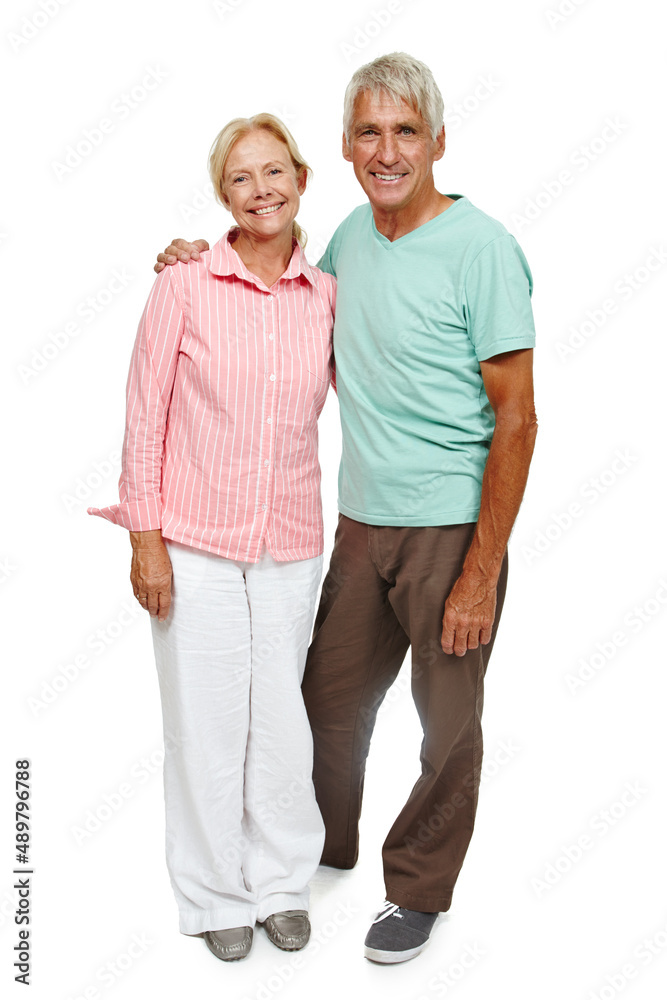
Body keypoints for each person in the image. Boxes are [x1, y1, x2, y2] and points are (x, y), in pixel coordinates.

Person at [153, 51, 538, 965]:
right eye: (369, 131)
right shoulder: (347, 249)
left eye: (406, 130)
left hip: (452, 529)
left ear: (438, 140)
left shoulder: (482, 248)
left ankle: (416, 889)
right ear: (346, 149)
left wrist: (481, 570)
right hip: (360, 528)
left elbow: (517, 418)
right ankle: (310, 857)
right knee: (320, 709)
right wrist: (188, 259)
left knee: (447, 729)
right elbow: (275, 309)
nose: (387, 148)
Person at [88, 113, 336, 963]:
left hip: (292, 539)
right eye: (241, 178)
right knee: (204, 719)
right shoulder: (185, 282)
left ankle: (279, 883)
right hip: (191, 539)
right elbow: (142, 414)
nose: (260, 190)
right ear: (221, 194)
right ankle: (212, 894)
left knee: (280, 720)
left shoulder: (328, 291)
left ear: (302, 178)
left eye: (275, 172)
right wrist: (143, 539)